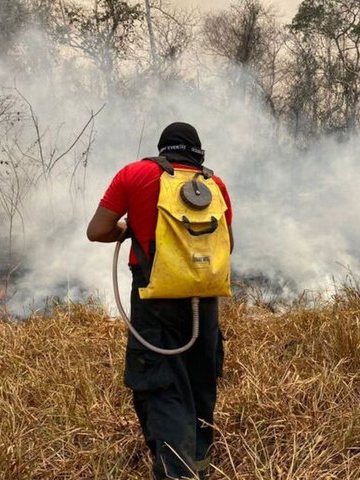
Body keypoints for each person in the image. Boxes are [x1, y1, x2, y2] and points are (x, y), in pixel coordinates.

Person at [87, 122, 233, 479]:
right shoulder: (216, 185)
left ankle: (176, 472)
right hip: (205, 300)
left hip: (155, 300)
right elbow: (226, 247)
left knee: (162, 384)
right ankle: (199, 464)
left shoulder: (135, 174)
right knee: (201, 381)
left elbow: (97, 230)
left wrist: (129, 230)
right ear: (198, 152)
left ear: (162, 148)